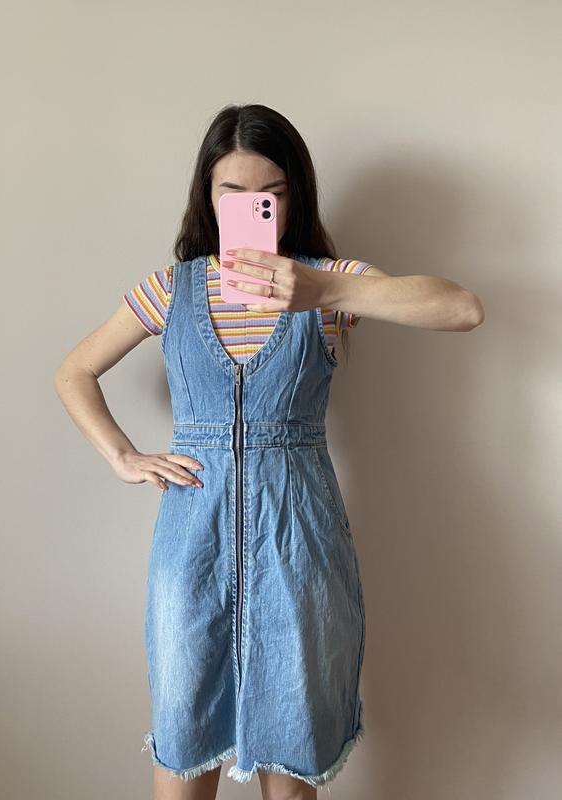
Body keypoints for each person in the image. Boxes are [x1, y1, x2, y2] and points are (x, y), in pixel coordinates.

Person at [54, 103, 484, 800]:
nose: (256, 209)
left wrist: (328, 288)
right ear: (208, 196)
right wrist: (122, 456)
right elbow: (74, 371)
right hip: (190, 548)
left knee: (291, 752)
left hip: (298, 545)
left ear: (294, 196)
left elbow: (462, 308)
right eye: (235, 194)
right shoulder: (171, 288)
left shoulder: (328, 281)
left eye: (272, 195)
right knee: (183, 747)